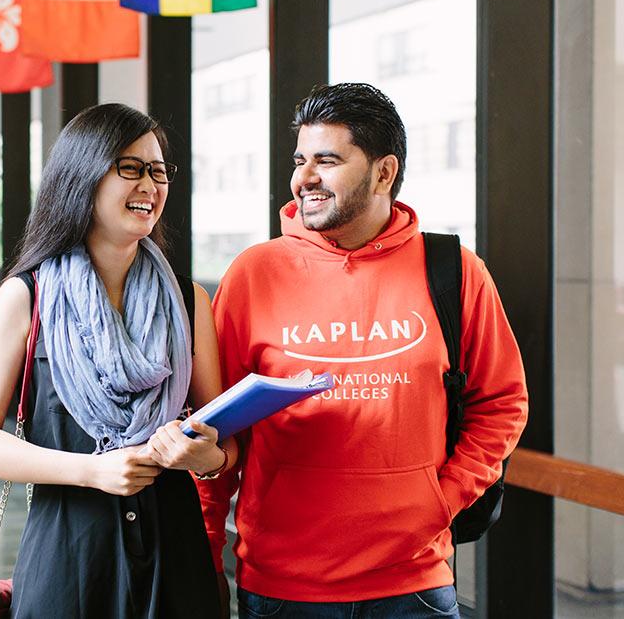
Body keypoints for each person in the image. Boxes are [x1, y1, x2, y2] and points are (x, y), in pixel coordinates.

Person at [199, 83, 529, 618]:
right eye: (300, 159)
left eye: (326, 160)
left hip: (414, 585)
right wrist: (204, 559)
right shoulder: (253, 275)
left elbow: (503, 402)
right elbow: (214, 427)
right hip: (283, 589)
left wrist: (440, 501)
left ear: (384, 171)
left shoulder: (454, 271)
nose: (304, 178)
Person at [0, 103, 237, 618]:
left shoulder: (187, 298)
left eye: (158, 171)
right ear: (82, 176)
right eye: (130, 168)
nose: (149, 185)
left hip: (174, 558)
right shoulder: (27, 298)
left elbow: (222, 440)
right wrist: (92, 470)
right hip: (69, 557)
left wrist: (207, 459)